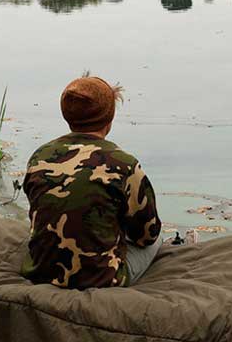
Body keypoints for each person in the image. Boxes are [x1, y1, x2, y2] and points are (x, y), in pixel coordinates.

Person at [21, 75, 162, 289]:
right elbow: (146, 235)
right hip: (100, 279)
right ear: (109, 118)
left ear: (67, 115)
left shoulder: (40, 156)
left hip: (40, 272)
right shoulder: (124, 164)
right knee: (158, 240)